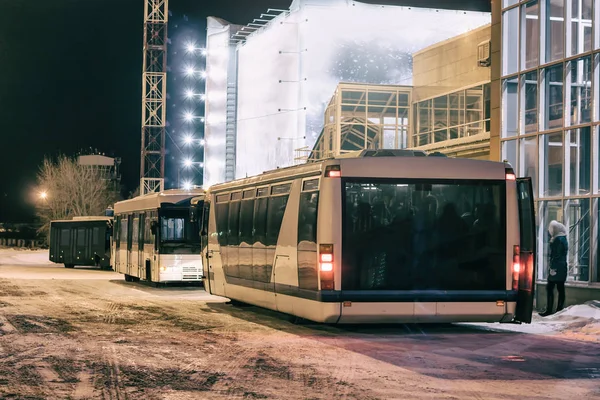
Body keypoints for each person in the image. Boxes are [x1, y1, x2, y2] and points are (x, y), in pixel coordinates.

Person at [539, 220, 568, 317]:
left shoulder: (558, 240)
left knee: (550, 287)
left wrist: (552, 268)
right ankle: (558, 309)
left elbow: (556, 255)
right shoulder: (562, 238)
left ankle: (550, 309)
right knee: (560, 288)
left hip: (557, 268)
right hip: (562, 267)